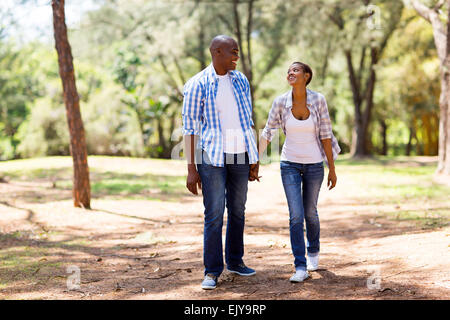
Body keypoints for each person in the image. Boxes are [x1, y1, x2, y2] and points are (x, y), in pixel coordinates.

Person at [182, 35, 260, 290]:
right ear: (217, 52)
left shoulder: (241, 80)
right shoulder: (197, 84)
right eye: (233, 51)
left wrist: (254, 157)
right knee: (214, 214)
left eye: (237, 51)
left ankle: (236, 262)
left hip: (240, 154)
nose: (237, 56)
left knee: (238, 211)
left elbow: (248, 120)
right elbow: (190, 129)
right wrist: (192, 169)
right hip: (211, 157)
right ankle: (212, 271)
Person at [258, 61, 340, 282]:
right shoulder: (280, 102)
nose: (290, 72)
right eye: (288, 71)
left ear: (307, 76)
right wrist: (254, 160)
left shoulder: (318, 100)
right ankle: (300, 266)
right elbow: (268, 132)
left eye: (295, 70)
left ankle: (313, 250)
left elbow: (326, 135)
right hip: (289, 164)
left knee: (310, 213)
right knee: (296, 216)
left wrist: (331, 169)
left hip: (314, 165)